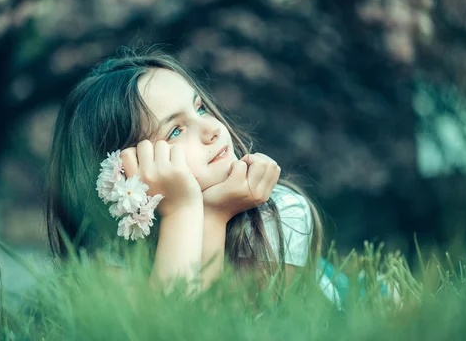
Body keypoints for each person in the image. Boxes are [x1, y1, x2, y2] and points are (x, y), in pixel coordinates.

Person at [45, 46, 340, 303]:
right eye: (175, 130)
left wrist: (211, 214)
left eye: (199, 109)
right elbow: (171, 329)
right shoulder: (109, 257)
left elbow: (221, 328)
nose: (212, 129)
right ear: (123, 173)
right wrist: (183, 212)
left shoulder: (277, 213)